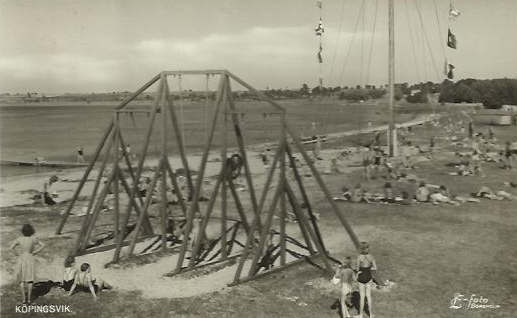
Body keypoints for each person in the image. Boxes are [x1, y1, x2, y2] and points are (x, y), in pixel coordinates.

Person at [10, 224, 45, 304]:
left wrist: (16, 254)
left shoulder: (19, 239)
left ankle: (23, 299)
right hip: (30, 258)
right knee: (30, 279)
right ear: (31, 231)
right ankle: (29, 299)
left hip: (22, 258)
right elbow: (43, 245)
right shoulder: (33, 239)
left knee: (21, 279)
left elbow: (11, 247)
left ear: (23, 231)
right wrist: (36, 252)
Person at [356, 242, 377, 318]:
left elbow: (357, 269)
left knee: (362, 297)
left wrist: (360, 271)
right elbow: (375, 268)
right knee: (368, 296)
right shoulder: (371, 257)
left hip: (361, 277)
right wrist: (369, 269)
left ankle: (360, 315)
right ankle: (371, 315)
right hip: (368, 277)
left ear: (361, 249)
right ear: (368, 248)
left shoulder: (359, 257)